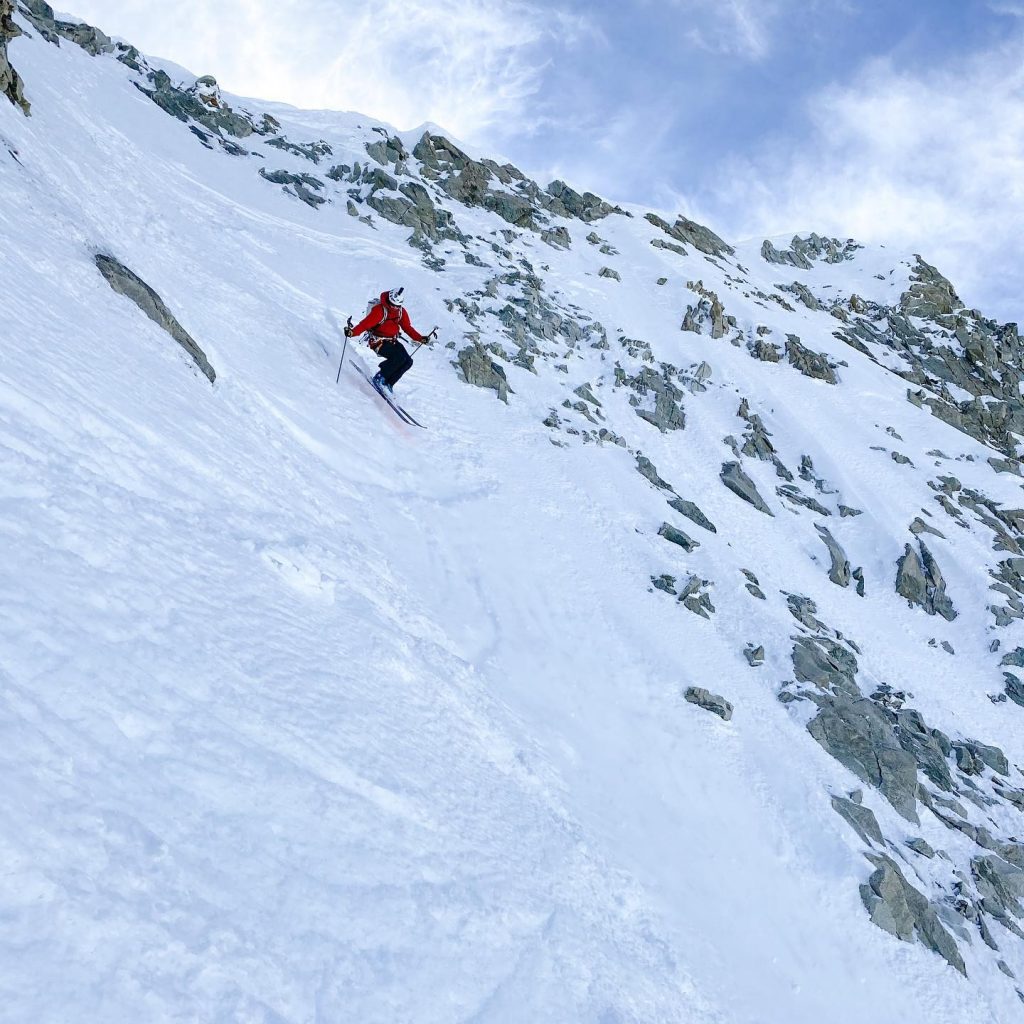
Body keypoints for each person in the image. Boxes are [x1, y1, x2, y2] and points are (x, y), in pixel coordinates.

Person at [345, 287, 427, 394]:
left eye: (397, 306)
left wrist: (420, 338)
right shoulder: (379, 310)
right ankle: (380, 377)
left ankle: (389, 384)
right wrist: (352, 332)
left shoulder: (400, 312)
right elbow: (365, 324)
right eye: (392, 305)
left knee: (408, 361)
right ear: (388, 300)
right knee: (398, 358)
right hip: (378, 342)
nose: (394, 307)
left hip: (392, 341)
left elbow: (407, 328)